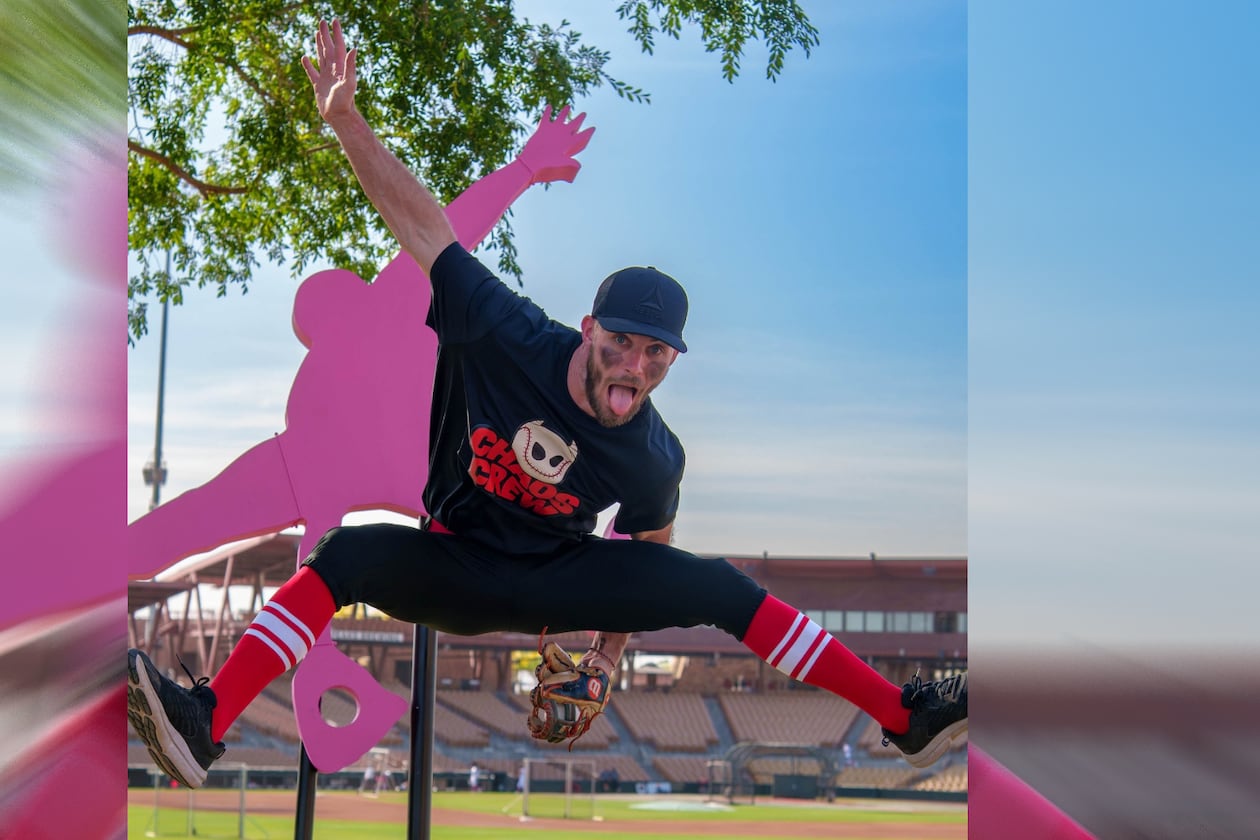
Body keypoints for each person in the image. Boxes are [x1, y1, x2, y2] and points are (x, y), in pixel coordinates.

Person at [125, 18, 966, 791]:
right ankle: (204, 722)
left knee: (718, 585)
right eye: (622, 344)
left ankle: (907, 718)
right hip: (458, 562)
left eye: (655, 354)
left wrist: (603, 658)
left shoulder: (653, 453)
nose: (633, 368)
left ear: (672, 359)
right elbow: (422, 226)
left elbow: (646, 548)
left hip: (565, 578)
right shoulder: (505, 331)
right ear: (587, 327)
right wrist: (346, 119)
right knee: (342, 556)